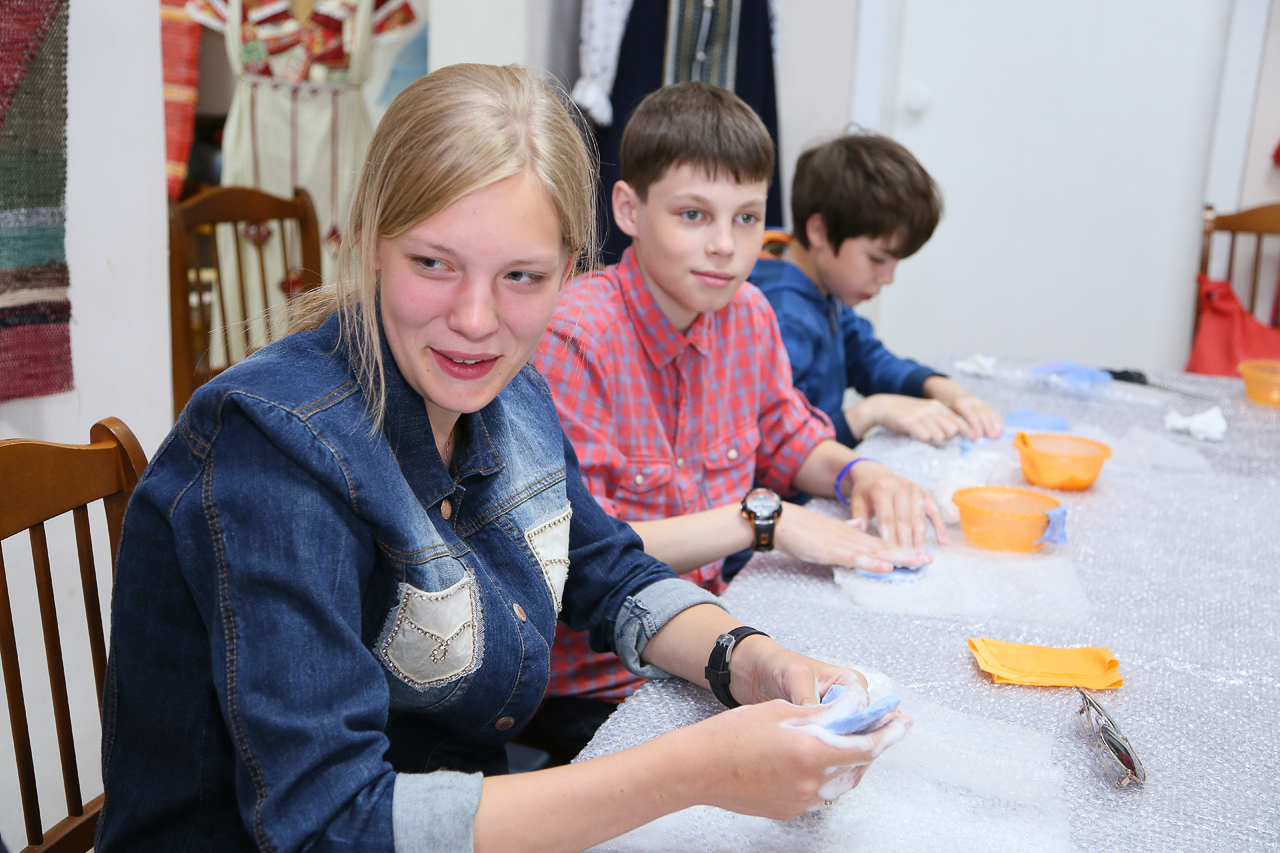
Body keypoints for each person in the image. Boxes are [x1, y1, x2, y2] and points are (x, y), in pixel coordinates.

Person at [96, 65, 911, 853]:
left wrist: (750, 658)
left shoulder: (509, 392)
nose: (477, 319)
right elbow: (331, 824)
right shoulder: (275, 452)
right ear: (371, 240)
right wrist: (699, 770)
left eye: (522, 276)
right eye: (434, 263)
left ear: (569, 273)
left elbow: (608, 568)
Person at [526, 83, 941, 764]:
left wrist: (859, 471)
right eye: (693, 215)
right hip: (601, 682)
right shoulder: (577, 336)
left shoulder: (748, 313)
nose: (724, 245)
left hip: (720, 631)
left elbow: (787, 435)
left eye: (747, 218)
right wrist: (761, 521)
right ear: (628, 209)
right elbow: (582, 555)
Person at [751, 133, 1004, 447]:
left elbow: (866, 358)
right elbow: (773, 448)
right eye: (877, 259)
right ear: (820, 231)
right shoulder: (783, 316)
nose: (888, 277)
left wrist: (942, 389)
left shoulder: (820, 284)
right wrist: (870, 413)